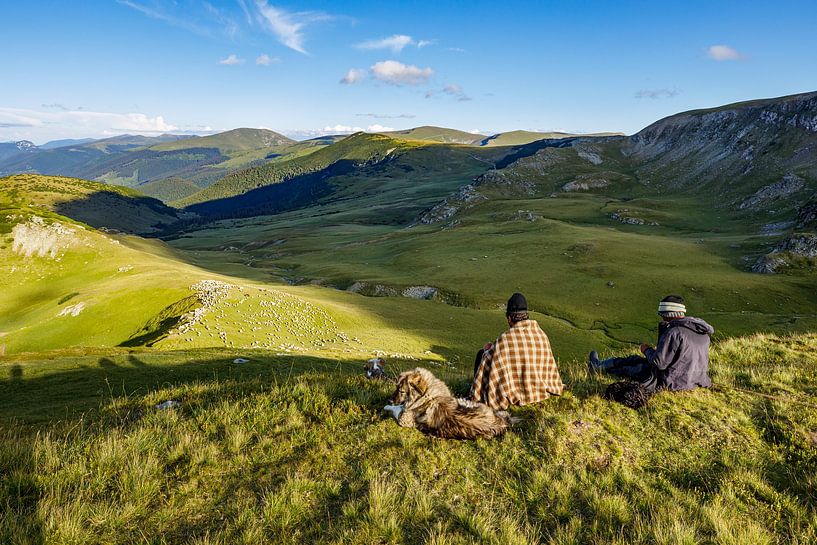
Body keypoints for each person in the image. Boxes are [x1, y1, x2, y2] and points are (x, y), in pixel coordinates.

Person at [588, 295, 713, 393]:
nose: (661, 318)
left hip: (674, 382)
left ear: (668, 314)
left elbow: (659, 363)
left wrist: (646, 349)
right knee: (635, 359)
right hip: (695, 379)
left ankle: (599, 369)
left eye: (662, 314)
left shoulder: (674, 332)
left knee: (633, 368)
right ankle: (599, 365)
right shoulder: (701, 331)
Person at [470, 292, 564, 410]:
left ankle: (476, 397)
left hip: (517, 395)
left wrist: (486, 351)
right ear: (526, 315)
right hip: (540, 391)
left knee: (481, 355)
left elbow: (490, 361)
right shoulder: (541, 334)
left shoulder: (504, 340)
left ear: (509, 318)